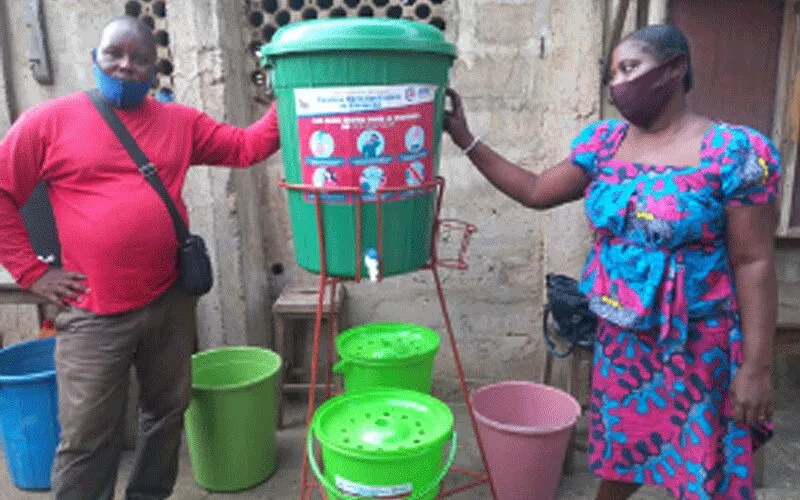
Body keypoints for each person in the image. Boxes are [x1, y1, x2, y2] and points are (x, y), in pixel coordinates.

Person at [444, 24, 779, 500]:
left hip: (699, 345)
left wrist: (757, 367)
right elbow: (537, 191)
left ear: (675, 68)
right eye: (613, 74)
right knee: (627, 452)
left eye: (631, 68)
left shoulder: (735, 152)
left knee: (707, 465)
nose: (619, 83)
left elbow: (753, 262)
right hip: (624, 345)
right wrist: (466, 138)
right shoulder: (604, 144)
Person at [0, 16, 280, 500]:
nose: (127, 66)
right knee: (87, 436)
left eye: (141, 59)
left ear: (155, 70)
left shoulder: (179, 122)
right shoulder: (49, 122)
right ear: (96, 58)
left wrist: (291, 99)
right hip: (92, 313)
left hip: (168, 300)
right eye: (115, 55)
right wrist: (33, 273)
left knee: (166, 414)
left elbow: (247, 147)